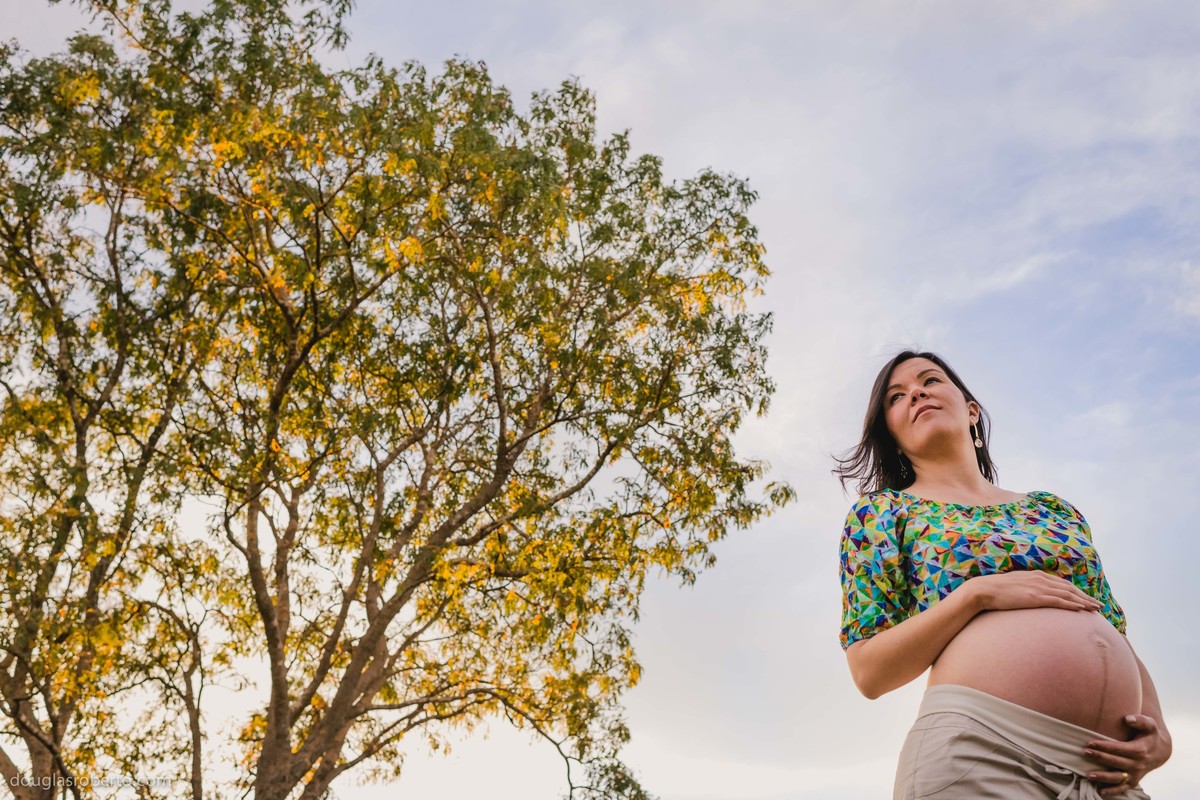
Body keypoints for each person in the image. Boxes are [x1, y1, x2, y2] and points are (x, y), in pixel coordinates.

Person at [834, 350, 1171, 799]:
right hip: (982, 754)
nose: (916, 392)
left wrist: (1159, 730)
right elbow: (869, 672)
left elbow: (1109, 626)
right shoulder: (882, 513)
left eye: (930, 380)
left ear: (971, 410)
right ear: (893, 436)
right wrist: (977, 596)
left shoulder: (1053, 510)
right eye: (897, 397)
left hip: (1105, 772)